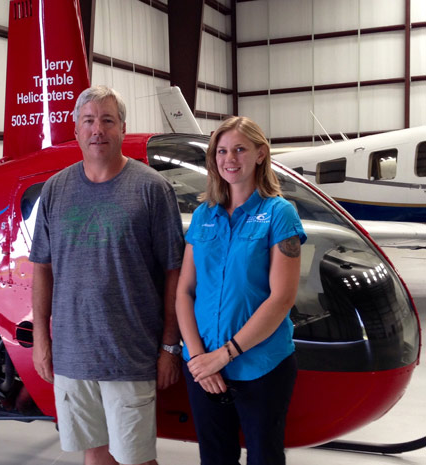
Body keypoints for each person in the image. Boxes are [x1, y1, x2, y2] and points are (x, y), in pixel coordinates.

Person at [29, 85, 185, 465]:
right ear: (77, 129)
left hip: (130, 353)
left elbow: (174, 273)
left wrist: (169, 346)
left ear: (122, 129)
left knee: (136, 458)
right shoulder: (55, 190)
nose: (97, 129)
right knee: (94, 453)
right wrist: (41, 339)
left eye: (107, 120)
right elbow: (42, 268)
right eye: (89, 121)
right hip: (73, 354)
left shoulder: (152, 188)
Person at [176, 116, 306, 465]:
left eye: (239, 149)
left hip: (260, 366)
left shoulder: (279, 214)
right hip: (204, 368)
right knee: (215, 458)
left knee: (264, 457)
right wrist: (199, 357)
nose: (229, 158)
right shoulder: (203, 215)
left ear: (260, 154)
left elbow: (281, 298)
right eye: (221, 151)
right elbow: (185, 292)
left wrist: (225, 354)